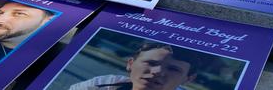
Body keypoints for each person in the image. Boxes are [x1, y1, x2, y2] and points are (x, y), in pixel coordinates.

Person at [68, 42, 200, 90]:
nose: (157, 72)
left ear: (188, 79)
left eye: (173, 69)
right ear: (130, 63)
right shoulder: (104, 84)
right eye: (151, 63)